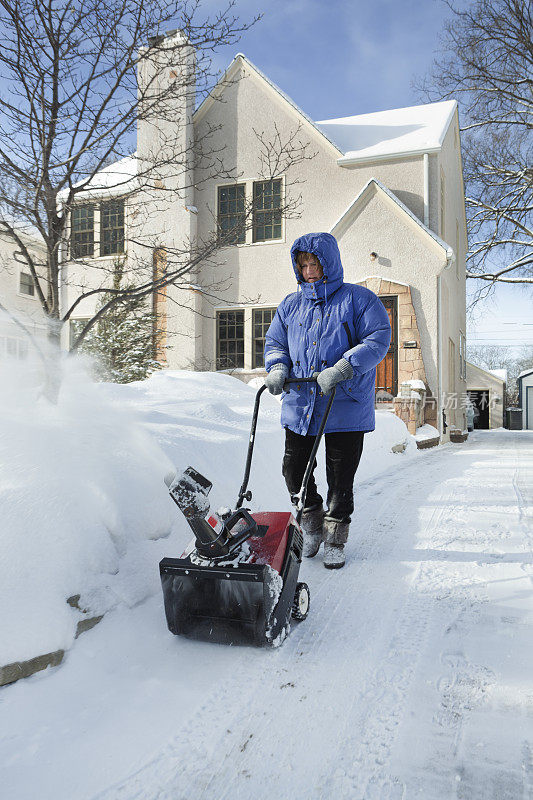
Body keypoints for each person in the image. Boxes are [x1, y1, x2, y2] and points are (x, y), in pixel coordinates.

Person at [264, 232, 391, 569]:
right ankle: (311, 524)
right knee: (294, 468)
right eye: (303, 264)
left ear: (329, 264)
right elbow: (276, 341)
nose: (308, 270)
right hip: (301, 403)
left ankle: (335, 537)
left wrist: (342, 367)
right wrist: (277, 367)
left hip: (344, 402)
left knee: (340, 476)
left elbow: (378, 339)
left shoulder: (359, 300)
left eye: (314, 263)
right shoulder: (290, 305)